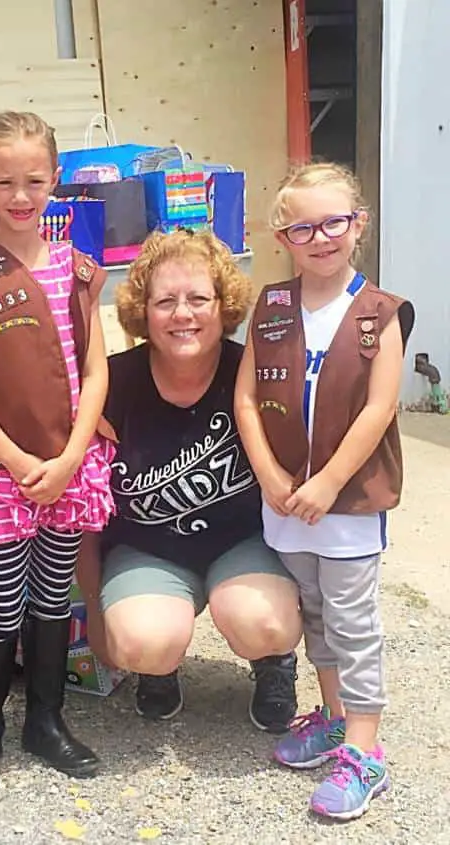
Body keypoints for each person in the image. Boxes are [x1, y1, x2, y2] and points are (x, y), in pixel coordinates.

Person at [0, 111, 114, 796]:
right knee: (0, 601)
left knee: (51, 596)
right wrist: (11, 458)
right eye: (3, 180)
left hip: (68, 465)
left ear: (55, 181)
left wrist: (71, 457)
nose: (19, 194)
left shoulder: (77, 267)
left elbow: (95, 370)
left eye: (33, 180)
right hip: (2, 470)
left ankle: (46, 719)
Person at [235, 162, 414, 821]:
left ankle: (365, 752)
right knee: (314, 616)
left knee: (353, 621)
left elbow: (379, 408)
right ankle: (338, 718)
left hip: (347, 505)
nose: (320, 237)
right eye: (302, 226)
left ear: (358, 225)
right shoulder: (273, 306)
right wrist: (273, 476)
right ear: (284, 237)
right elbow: (248, 398)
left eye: (333, 221)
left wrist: (330, 481)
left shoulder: (379, 313)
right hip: (286, 504)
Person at [76, 230, 302, 732]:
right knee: (142, 642)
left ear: (224, 305)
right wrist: (92, 605)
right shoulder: (109, 384)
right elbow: (85, 507)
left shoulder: (254, 372)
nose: (183, 314)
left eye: (199, 298)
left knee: (264, 622)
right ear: (142, 310)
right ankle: (160, 669)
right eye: (165, 301)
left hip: (243, 543)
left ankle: (273, 663)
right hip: (146, 548)